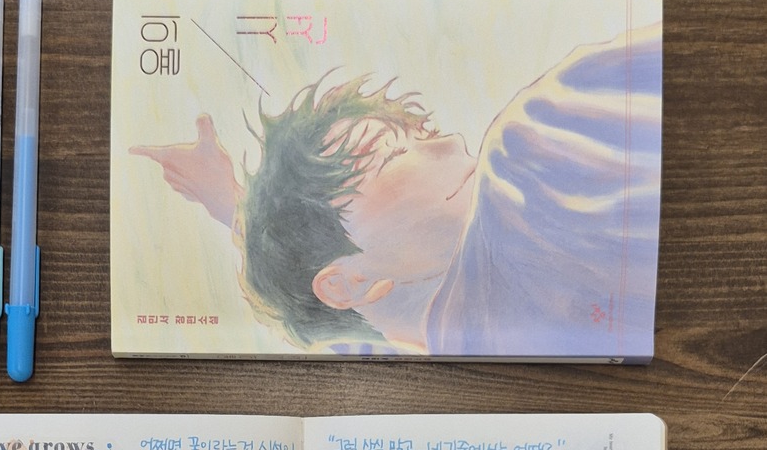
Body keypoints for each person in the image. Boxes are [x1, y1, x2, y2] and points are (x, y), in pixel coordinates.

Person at [132, 24, 662, 358]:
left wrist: (234, 206)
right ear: (350, 285)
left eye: (424, 135)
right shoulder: (527, 154)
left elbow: (339, 262)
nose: (453, 143)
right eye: (390, 155)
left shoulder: (430, 348)